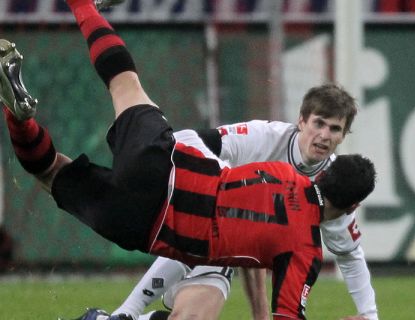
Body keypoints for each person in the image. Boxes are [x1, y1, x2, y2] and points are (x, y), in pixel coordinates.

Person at [0, 0, 377, 319]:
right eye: (320, 125)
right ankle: (20, 118)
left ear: (326, 173)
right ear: (352, 205)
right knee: (49, 171)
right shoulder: (304, 250)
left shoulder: (279, 168)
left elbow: (210, 156)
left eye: (335, 130)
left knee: (124, 82)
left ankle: (78, 10)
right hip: (149, 226)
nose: (325, 136)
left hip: (167, 163)